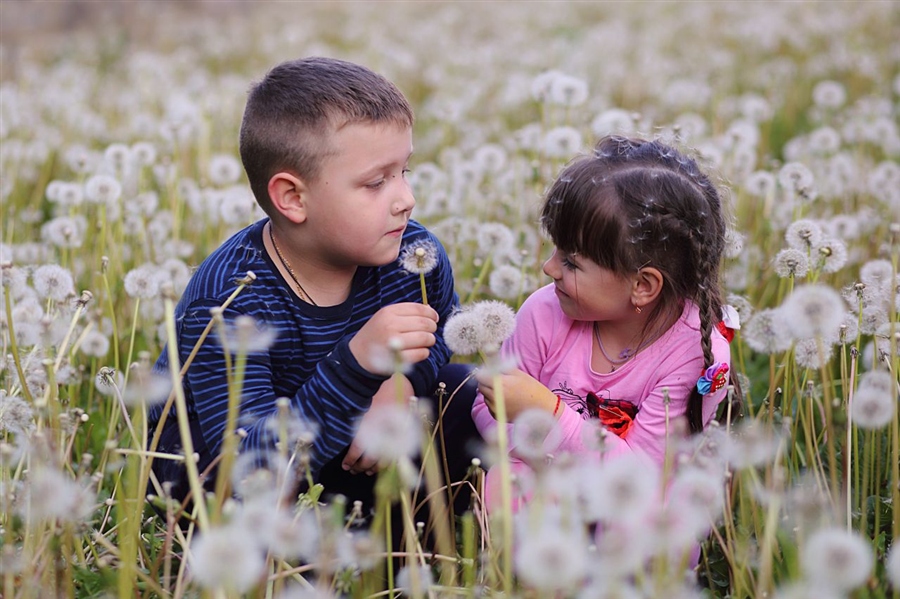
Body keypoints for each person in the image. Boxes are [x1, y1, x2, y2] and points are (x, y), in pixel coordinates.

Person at [148, 56, 478, 522]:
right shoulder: (229, 300)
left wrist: (401, 384)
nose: (406, 198)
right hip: (226, 484)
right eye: (376, 182)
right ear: (293, 198)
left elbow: (447, 333)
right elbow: (249, 470)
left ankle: (423, 545)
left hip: (346, 452)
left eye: (405, 171)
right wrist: (358, 366)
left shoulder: (414, 256)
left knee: (464, 390)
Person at [473, 135, 738, 508]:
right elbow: (486, 409)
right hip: (547, 487)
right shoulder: (543, 312)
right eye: (555, 251)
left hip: (637, 507)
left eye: (571, 262)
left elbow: (644, 479)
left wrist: (548, 415)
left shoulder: (696, 352)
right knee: (507, 484)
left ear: (643, 285)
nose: (548, 268)